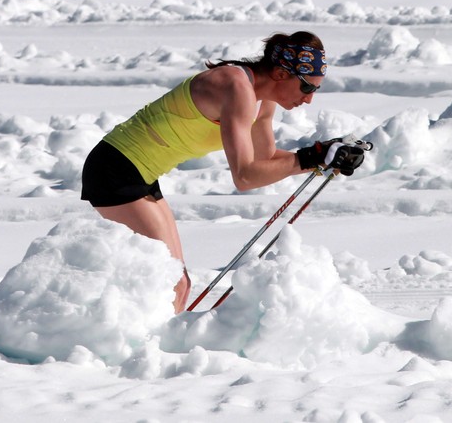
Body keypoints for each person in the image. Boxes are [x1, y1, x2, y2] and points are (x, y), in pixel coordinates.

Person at [81, 31, 365, 313]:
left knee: (180, 282)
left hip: (140, 174)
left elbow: (263, 160)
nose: (309, 100)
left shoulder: (262, 100)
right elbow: (245, 176)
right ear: (280, 74)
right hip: (114, 170)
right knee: (172, 282)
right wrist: (308, 158)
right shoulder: (235, 86)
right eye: (307, 88)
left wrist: (321, 156)